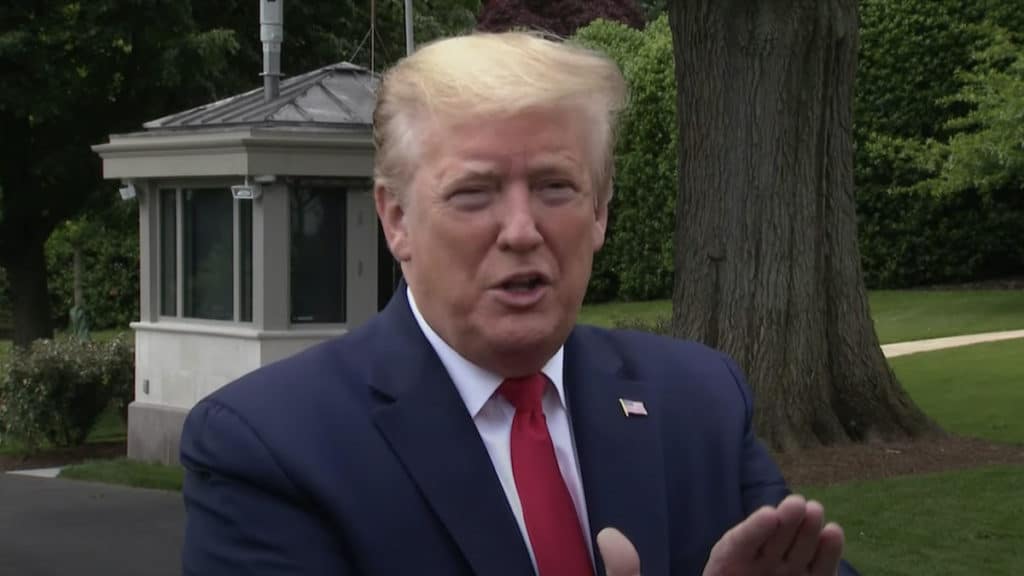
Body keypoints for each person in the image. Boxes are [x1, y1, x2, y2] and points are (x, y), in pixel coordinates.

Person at [181, 32, 858, 576]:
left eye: (555, 187)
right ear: (396, 221)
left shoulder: (699, 399)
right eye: (473, 193)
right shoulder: (272, 447)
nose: (522, 230)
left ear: (600, 210)